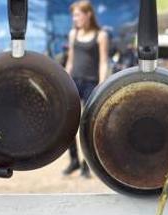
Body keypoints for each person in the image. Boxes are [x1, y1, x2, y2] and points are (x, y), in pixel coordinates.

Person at [62, 0, 110, 178]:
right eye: (73, 15)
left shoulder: (101, 35)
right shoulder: (73, 34)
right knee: (68, 123)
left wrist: (101, 85)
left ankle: (86, 164)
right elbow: (70, 60)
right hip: (74, 81)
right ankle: (74, 160)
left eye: (77, 15)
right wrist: (65, 80)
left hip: (91, 83)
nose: (75, 19)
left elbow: (104, 62)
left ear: (88, 14)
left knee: (87, 124)